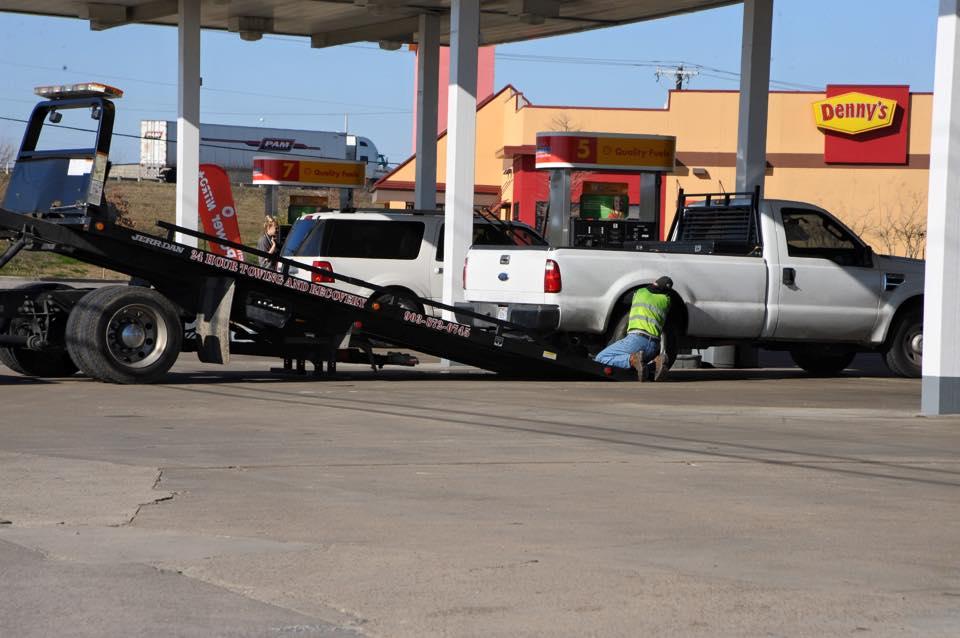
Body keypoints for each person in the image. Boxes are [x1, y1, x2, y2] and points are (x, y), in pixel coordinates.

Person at [594, 276, 673, 381]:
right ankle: (656, 361)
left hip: (637, 340)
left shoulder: (640, 292)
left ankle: (632, 359)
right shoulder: (666, 300)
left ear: (655, 283)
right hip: (654, 346)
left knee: (601, 358)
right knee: (641, 364)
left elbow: (624, 301)